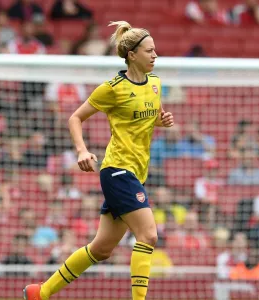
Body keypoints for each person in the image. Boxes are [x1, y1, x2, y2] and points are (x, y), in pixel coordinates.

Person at [23, 20, 174, 300]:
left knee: (101, 249)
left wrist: (162, 120)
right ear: (132, 54)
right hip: (118, 171)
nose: (155, 55)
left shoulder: (155, 84)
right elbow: (75, 118)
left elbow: (150, 117)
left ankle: (41, 292)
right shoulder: (112, 87)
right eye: (149, 51)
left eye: (155, 50)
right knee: (149, 236)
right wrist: (82, 150)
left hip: (136, 173)